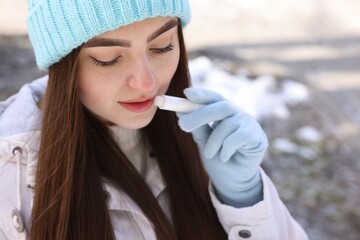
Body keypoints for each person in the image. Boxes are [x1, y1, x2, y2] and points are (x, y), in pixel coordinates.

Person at [0, 0, 308, 239]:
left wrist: (244, 198)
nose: (146, 83)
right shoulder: (9, 178)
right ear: (63, 65)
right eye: (108, 59)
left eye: (162, 47)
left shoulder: (204, 136)